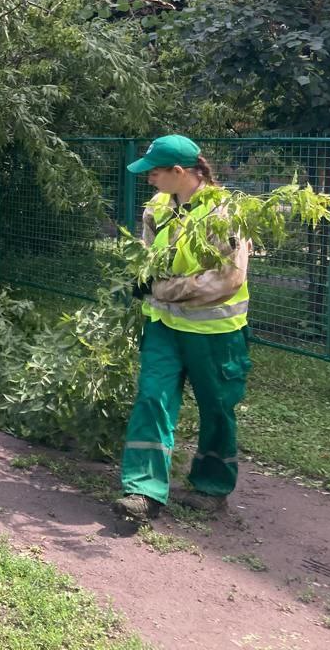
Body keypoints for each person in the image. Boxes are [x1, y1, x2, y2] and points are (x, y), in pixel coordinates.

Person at [113, 134, 252, 524]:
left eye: (155, 172)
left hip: (215, 333)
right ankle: (142, 490)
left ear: (179, 172)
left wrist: (163, 288)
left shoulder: (226, 213)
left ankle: (211, 488)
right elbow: (147, 259)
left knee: (217, 409)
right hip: (163, 327)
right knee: (152, 398)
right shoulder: (157, 209)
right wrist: (139, 276)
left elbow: (228, 278)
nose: (149, 179)